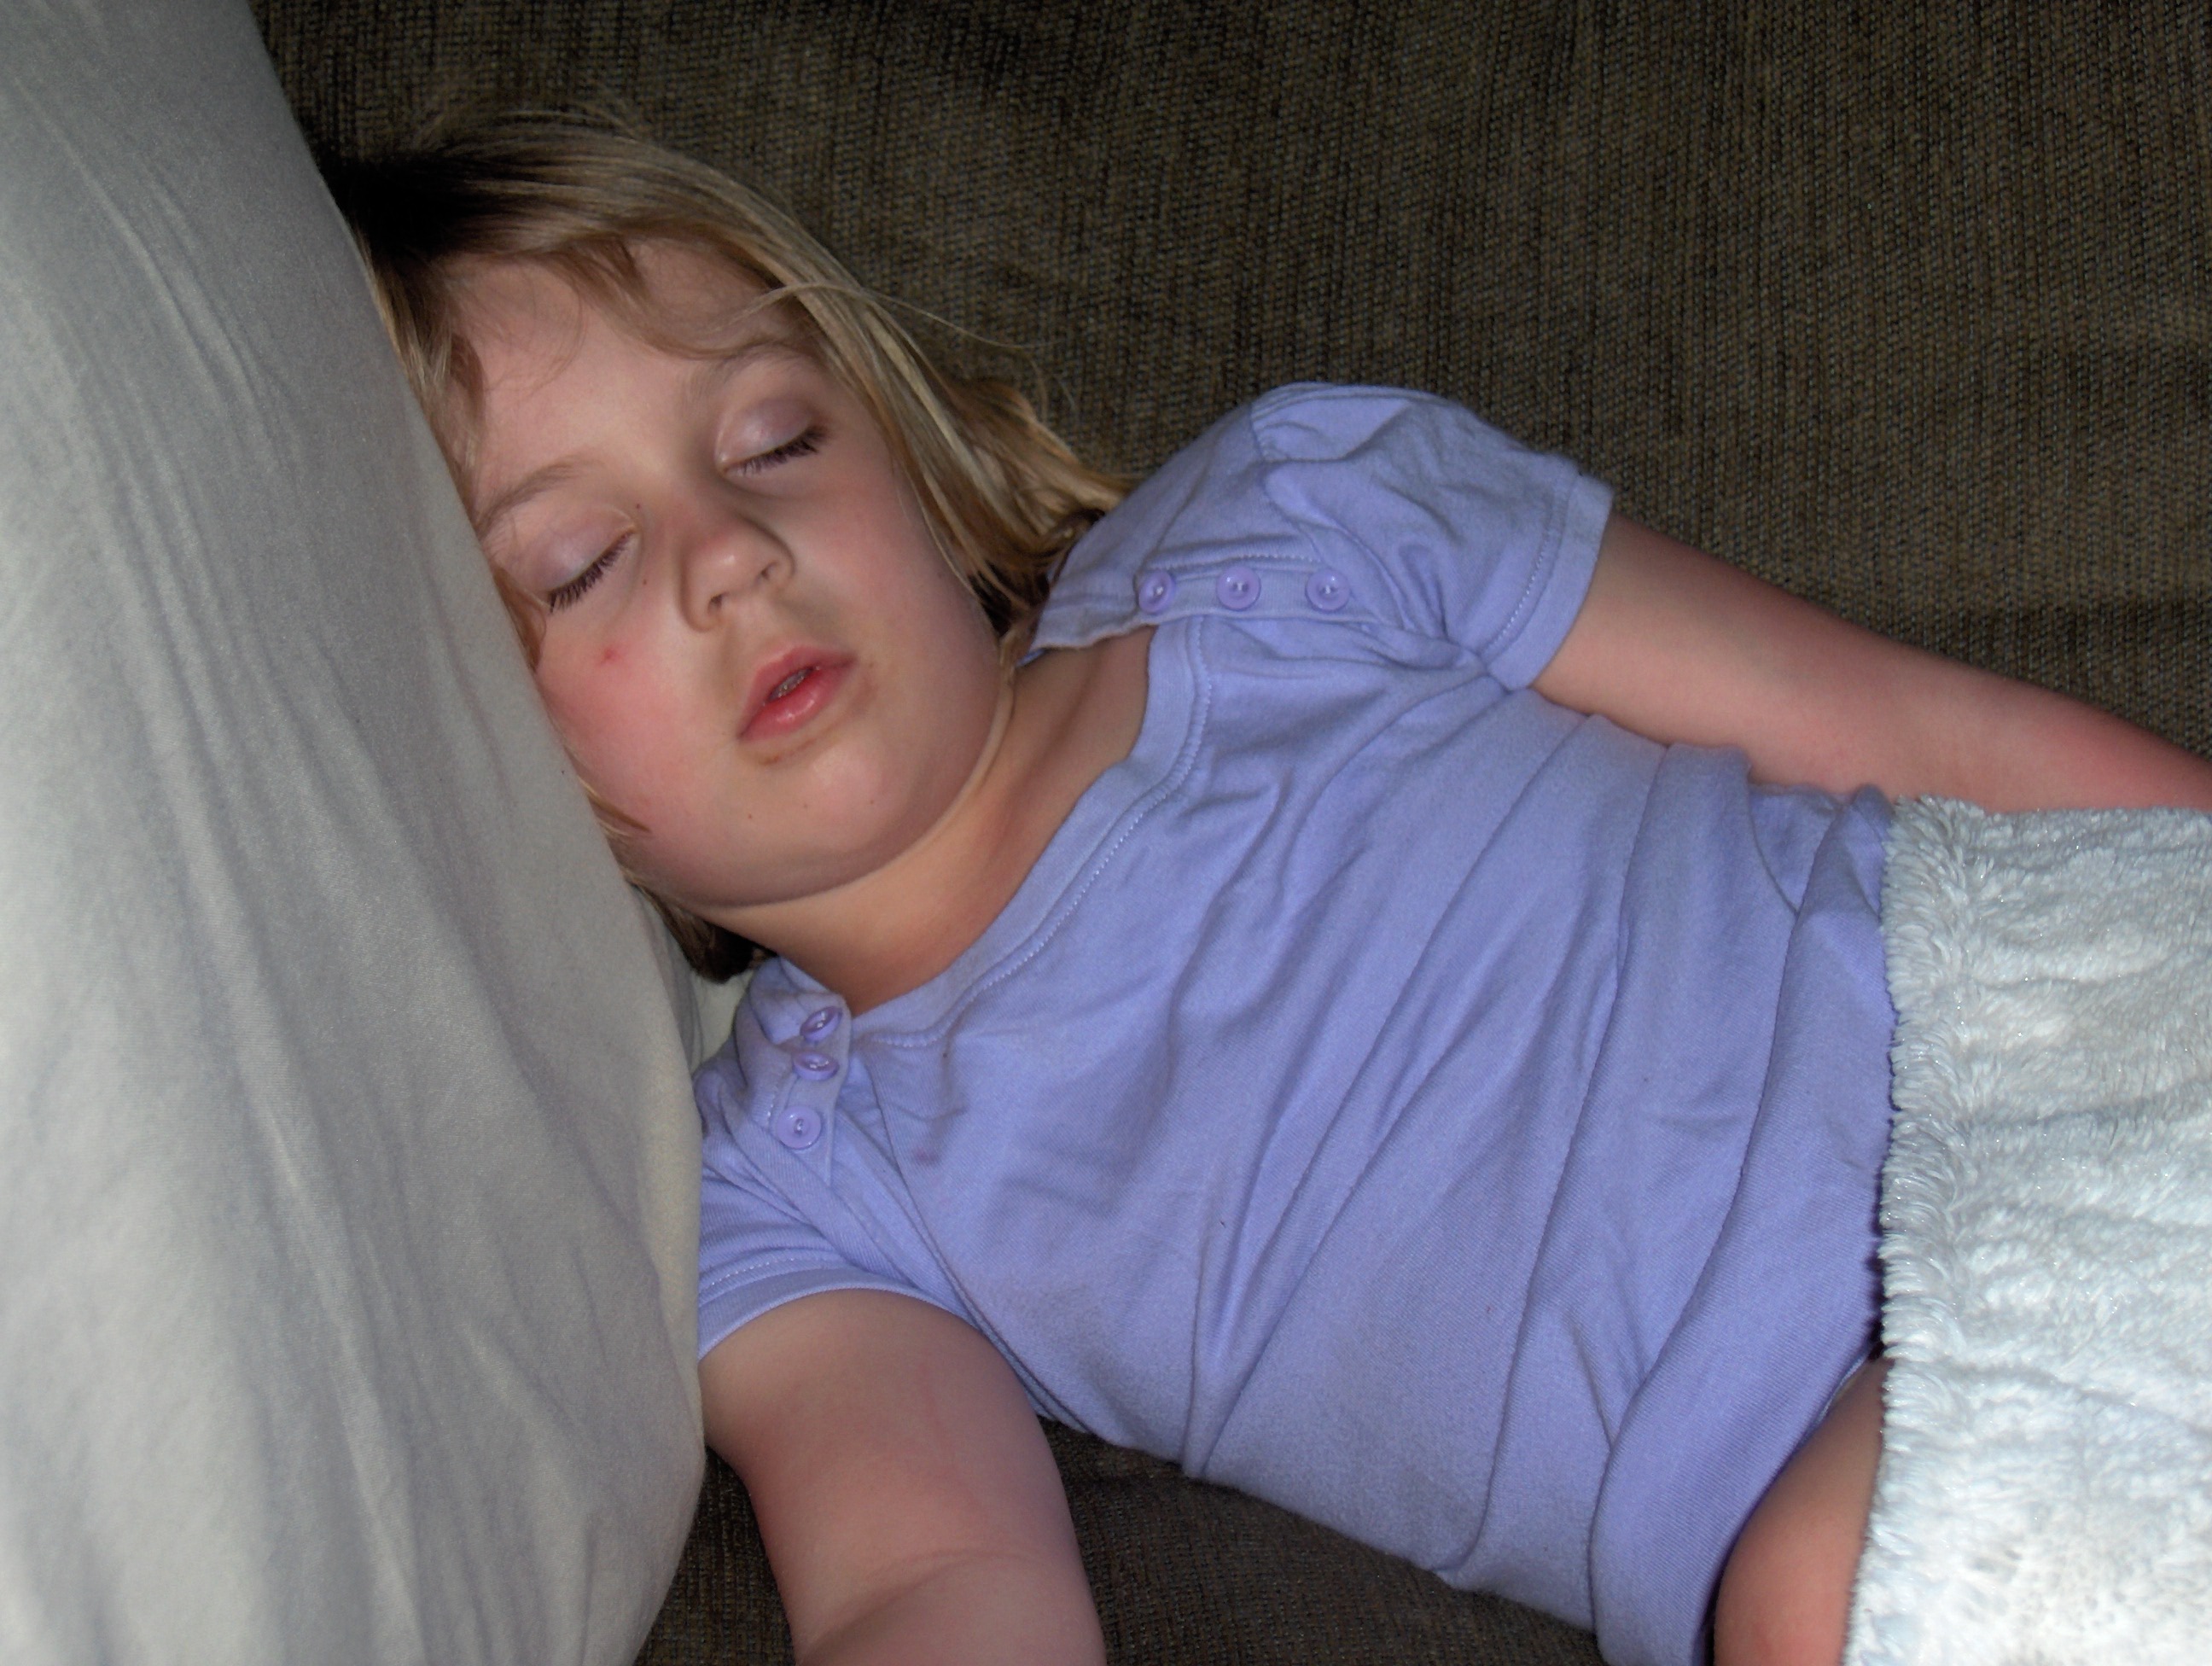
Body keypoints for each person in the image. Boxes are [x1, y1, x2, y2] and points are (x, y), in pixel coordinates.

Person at [333, 115, 2212, 1666]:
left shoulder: (1298, 525)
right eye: (578, 564)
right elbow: (936, 1580)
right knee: (1814, 1599)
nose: (733, 553)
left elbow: (1916, 730)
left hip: (2089, 1070)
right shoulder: (795, 1199)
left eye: (774, 441)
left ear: (902, 448)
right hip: (1940, 1517)